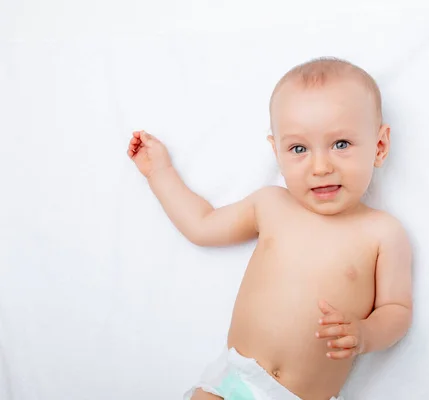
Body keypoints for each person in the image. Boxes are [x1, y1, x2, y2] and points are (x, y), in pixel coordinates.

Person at [127, 57, 413, 400]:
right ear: (276, 151)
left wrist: (365, 334)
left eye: (341, 144)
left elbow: (397, 312)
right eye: (299, 149)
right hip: (233, 383)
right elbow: (201, 225)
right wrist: (160, 172)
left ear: (379, 146)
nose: (320, 167)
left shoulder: (382, 233)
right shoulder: (271, 205)